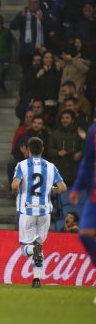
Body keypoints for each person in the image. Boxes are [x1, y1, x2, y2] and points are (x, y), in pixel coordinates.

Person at [11, 136, 66, 287]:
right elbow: (63, 188)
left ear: (28, 150)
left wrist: (17, 192)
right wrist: (52, 190)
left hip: (27, 211)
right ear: (42, 149)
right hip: (44, 213)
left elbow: (15, 185)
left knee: (26, 249)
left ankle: (33, 252)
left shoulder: (22, 165)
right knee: (39, 246)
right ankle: (37, 279)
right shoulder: (50, 166)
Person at [69, 118, 96, 301]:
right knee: (84, 233)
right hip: (94, 196)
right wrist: (77, 187)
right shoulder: (94, 131)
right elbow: (87, 161)